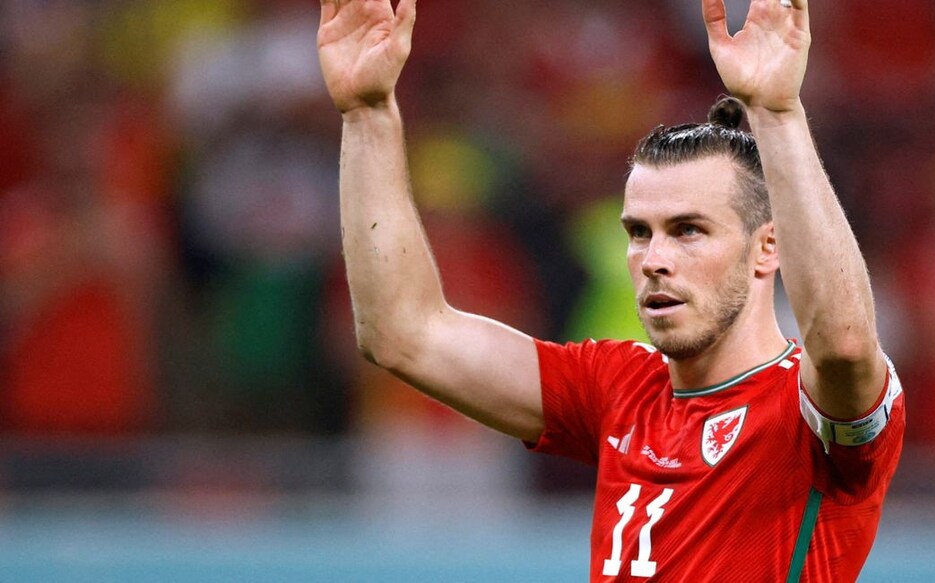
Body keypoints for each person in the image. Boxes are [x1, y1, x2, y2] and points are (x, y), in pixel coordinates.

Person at [316, 0, 904, 580]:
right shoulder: (617, 387)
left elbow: (846, 347)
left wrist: (777, 115)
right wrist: (367, 114)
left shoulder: (809, 411)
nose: (654, 260)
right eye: (639, 233)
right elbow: (403, 334)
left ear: (767, 247)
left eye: (688, 230)